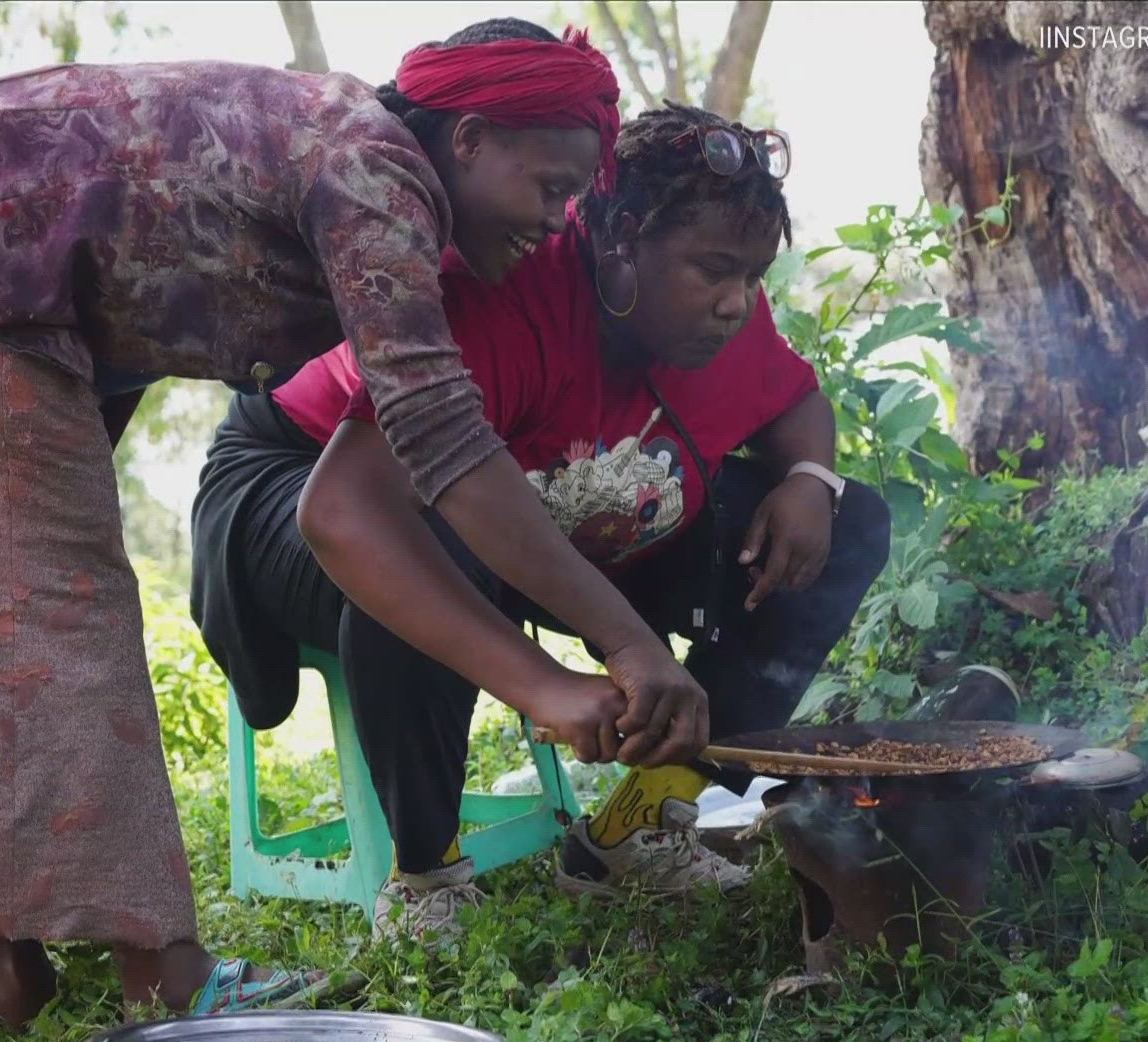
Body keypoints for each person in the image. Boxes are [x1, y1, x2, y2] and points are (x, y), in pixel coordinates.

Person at [0, 17, 704, 1033]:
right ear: (470, 140)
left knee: (3, 614)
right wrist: (609, 649)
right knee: (59, 610)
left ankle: (2, 968)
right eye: (550, 187)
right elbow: (440, 435)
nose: (557, 222)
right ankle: (166, 975)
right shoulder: (379, 171)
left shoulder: (360, 156)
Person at [191, 105, 893, 937]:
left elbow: (794, 398)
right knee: (436, 538)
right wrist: (548, 686)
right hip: (300, 476)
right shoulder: (500, 292)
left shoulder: (723, 310)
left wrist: (810, 479)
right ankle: (425, 874)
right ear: (623, 237)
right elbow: (352, 512)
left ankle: (639, 822)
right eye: (714, 270)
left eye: (754, 277)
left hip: (530, 505)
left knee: (850, 521)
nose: (738, 303)